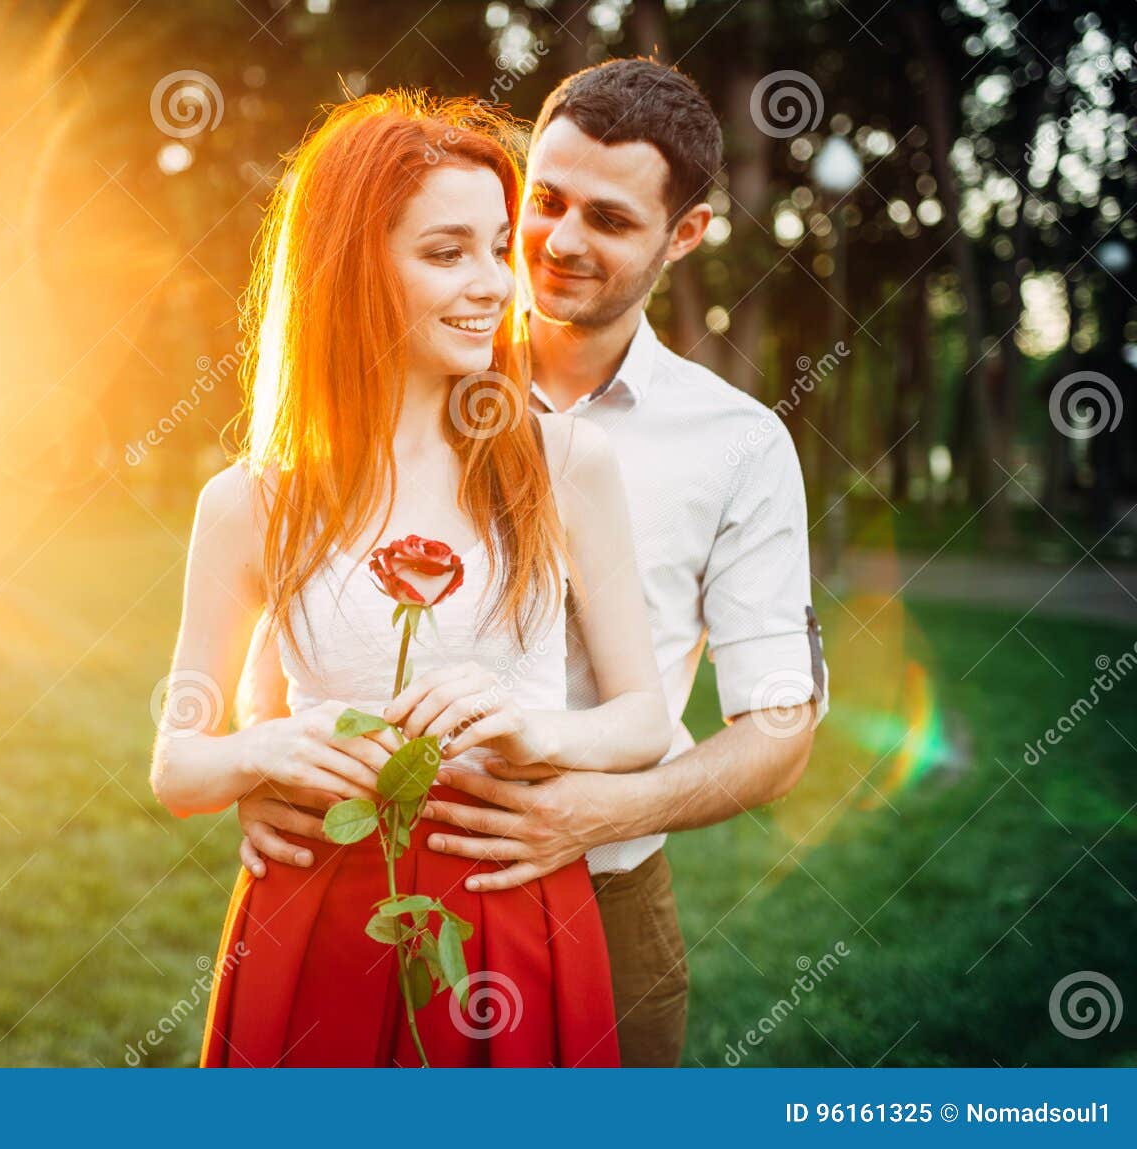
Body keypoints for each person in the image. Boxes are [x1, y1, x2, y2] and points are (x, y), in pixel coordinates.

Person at [234, 59, 829, 1067]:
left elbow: (779, 727)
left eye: (609, 218)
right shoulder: (390, 378)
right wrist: (263, 760)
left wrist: (601, 811)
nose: (558, 242)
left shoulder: (736, 446)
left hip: (603, 893)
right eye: (545, 200)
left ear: (682, 237)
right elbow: (281, 639)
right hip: (368, 889)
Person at [148, 90, 671, 1067]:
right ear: (351, 273)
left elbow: (644, 717)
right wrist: (269, 753)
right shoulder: (252, 503)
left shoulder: (564, 463)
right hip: (315, 920)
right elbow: (177, 766)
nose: (495, 286)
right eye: (445, 253)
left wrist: (538, 732)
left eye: (498, 247)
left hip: (508, 905)